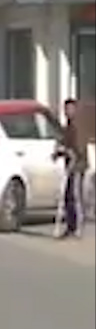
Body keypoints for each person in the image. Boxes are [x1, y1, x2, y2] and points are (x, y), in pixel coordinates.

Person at [55, 97, 90, 239]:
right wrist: (58, 152)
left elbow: (79, 149)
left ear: (75, 110)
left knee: (76, 196)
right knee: (68, 197)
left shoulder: (77, 127)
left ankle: (79, 227)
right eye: (65, 109)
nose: (67, 112)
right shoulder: (67, 127)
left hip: (78, 166)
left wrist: (69, 152)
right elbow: (64, 143)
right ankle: (70, 226)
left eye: (70, 109)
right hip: (69, 166)